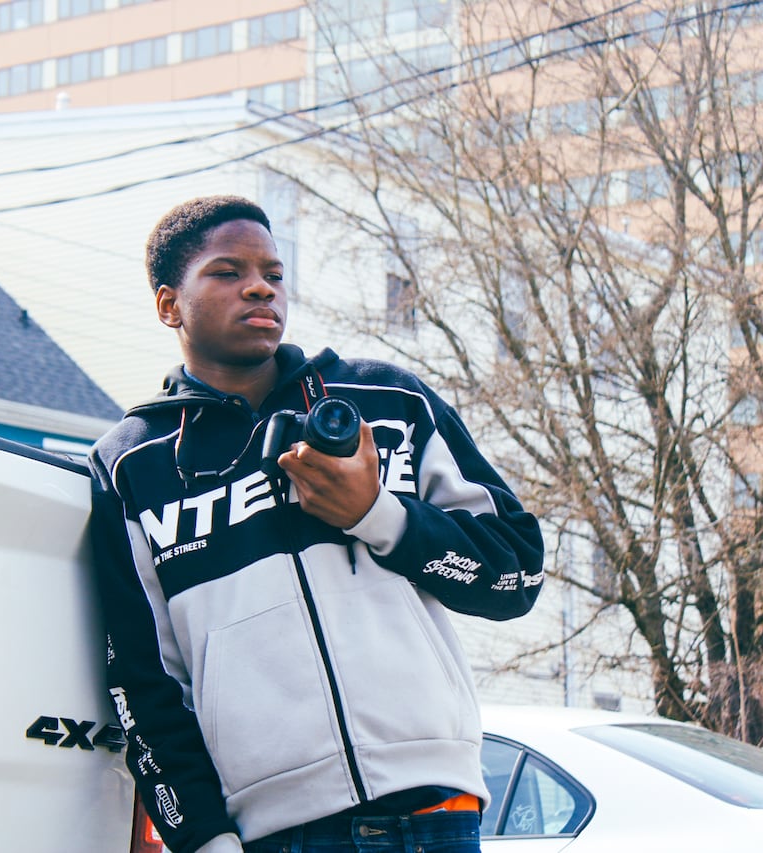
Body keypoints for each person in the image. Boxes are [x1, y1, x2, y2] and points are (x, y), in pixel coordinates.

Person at [88, 195, 545, 853]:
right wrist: (204, 840)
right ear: (169, 305)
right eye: (227, 271)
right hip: (274, 833)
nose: (259, 286)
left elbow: (517, 571)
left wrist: (376, 514)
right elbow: (143, 682)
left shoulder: (388, 401)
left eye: (273, 273)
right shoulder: (133, 464)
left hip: (435, 812)